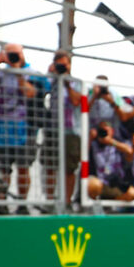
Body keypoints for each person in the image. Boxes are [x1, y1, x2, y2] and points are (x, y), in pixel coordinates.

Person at [0, 43, 39, 215]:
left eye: (16, 54)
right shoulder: (1, 70)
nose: (14, 57)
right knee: (3, 168)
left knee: (24, 167)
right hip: (2, 129)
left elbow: (30, 93)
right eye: (11, 54)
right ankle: (1, 203)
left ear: (23, 54)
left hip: (24, 129)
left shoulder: (30, 72)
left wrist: (17, 71)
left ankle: (22, 204)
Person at [40, 51, 83, 212]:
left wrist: (66, 83)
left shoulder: (76, 82)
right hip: (52, 129)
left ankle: (67, 202)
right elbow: (40, 94)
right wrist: (50, 73)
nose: (62, 67)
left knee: (69, 168)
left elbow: (76, 101)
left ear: (69, 65)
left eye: (64, 64)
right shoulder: (51, 80)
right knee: (49, 165)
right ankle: (50, 201)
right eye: (59, 64)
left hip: (71, 131)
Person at [87, 121, 134, 201]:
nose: (104, 133)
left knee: (133, 194)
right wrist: (90, 137)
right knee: (95, 185)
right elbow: (82, 153)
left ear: (112, 131)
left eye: (106, 131)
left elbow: (129, 151)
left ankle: (109, 206)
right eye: (102, 131)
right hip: (99, 180)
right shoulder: (93, 143)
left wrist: (110, 141)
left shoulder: (117, 142)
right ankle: (94, 205)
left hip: (115, 182)